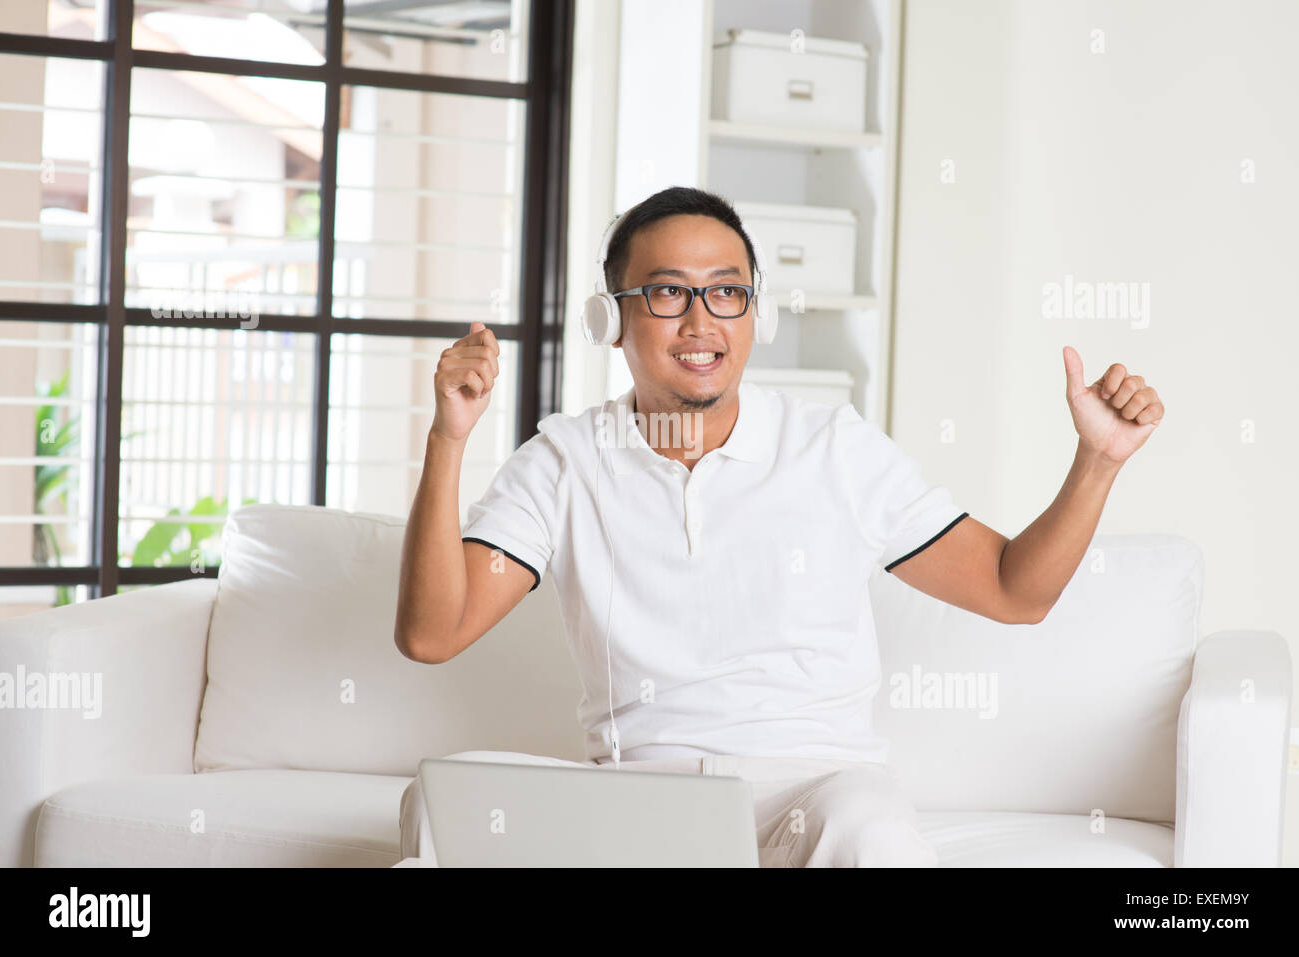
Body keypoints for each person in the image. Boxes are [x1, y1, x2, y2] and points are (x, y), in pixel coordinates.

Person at [393, 186, 1165, 867]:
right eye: (667, 293)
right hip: (639, 800)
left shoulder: (834, 448)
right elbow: (432, 633)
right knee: (439, 804)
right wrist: (449, 437)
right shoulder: (565, 458)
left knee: (874, 834)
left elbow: (1012, 590)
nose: (701, 321)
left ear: (754, 313)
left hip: (815, 794)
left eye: (727, 292)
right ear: (611, 319)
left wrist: (1096, 461)